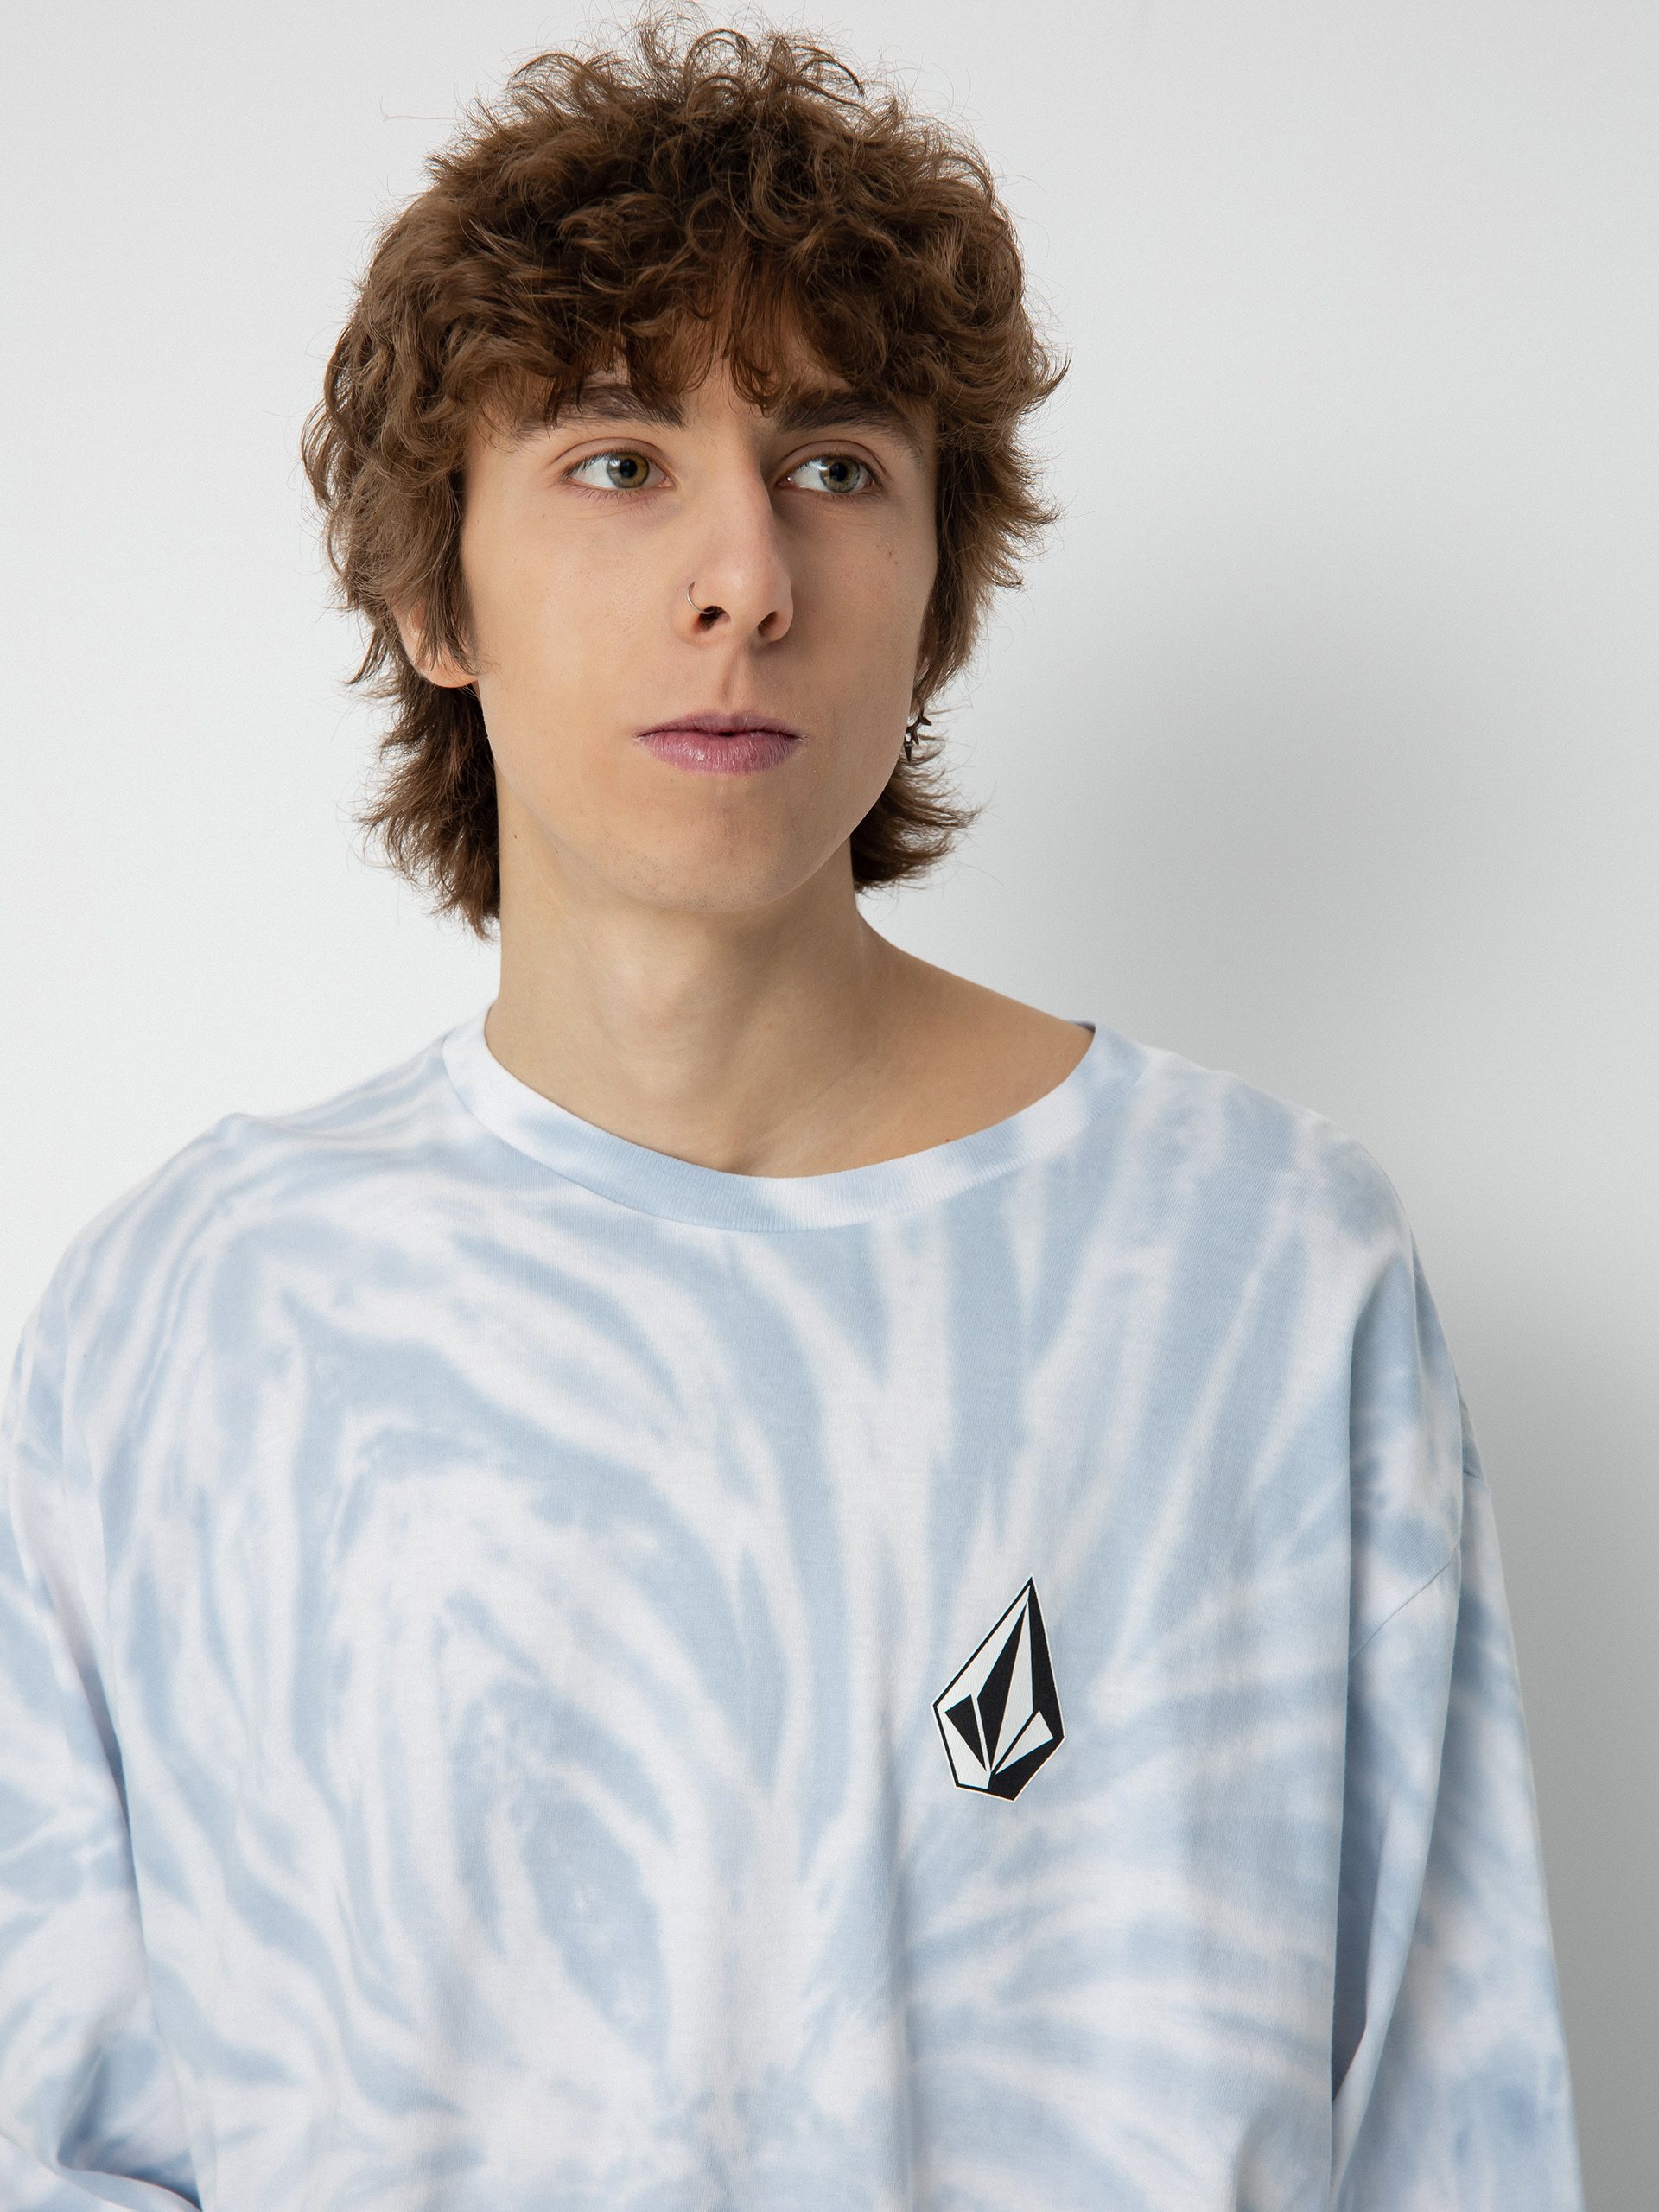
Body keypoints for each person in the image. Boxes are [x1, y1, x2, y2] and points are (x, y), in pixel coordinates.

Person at [0, 20, 1581, 2210]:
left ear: (937, 592)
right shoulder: (196, 1320)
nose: (744, 573)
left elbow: (1453, 2135)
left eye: (835, 465)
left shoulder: (1260, 1272)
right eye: (617, 459)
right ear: (432, 591)